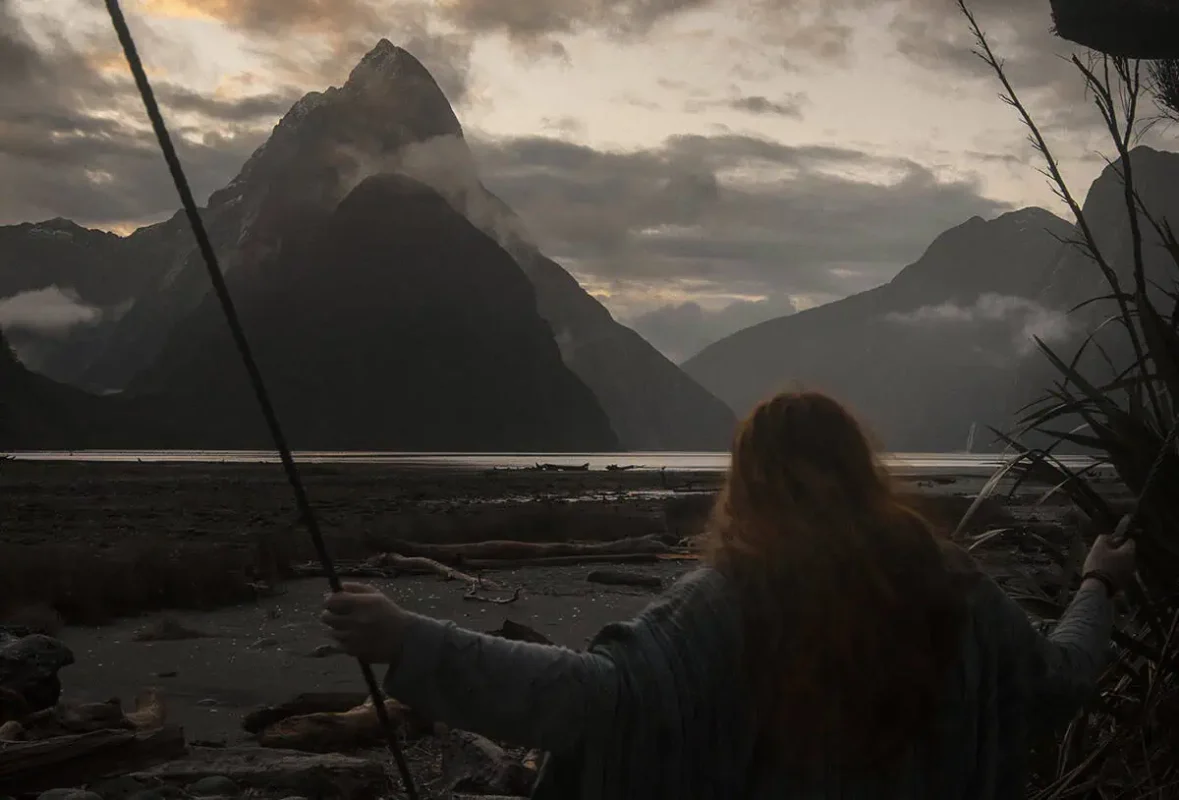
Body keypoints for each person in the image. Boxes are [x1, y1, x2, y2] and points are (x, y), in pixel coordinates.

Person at [321, 390, 1136, 799]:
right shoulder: (955, 589)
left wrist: (411, 642)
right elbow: (1057, 679)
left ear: (747, 484)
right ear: (861, 472)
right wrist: (1098, 581)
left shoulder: (735, 598)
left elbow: (596, 700)